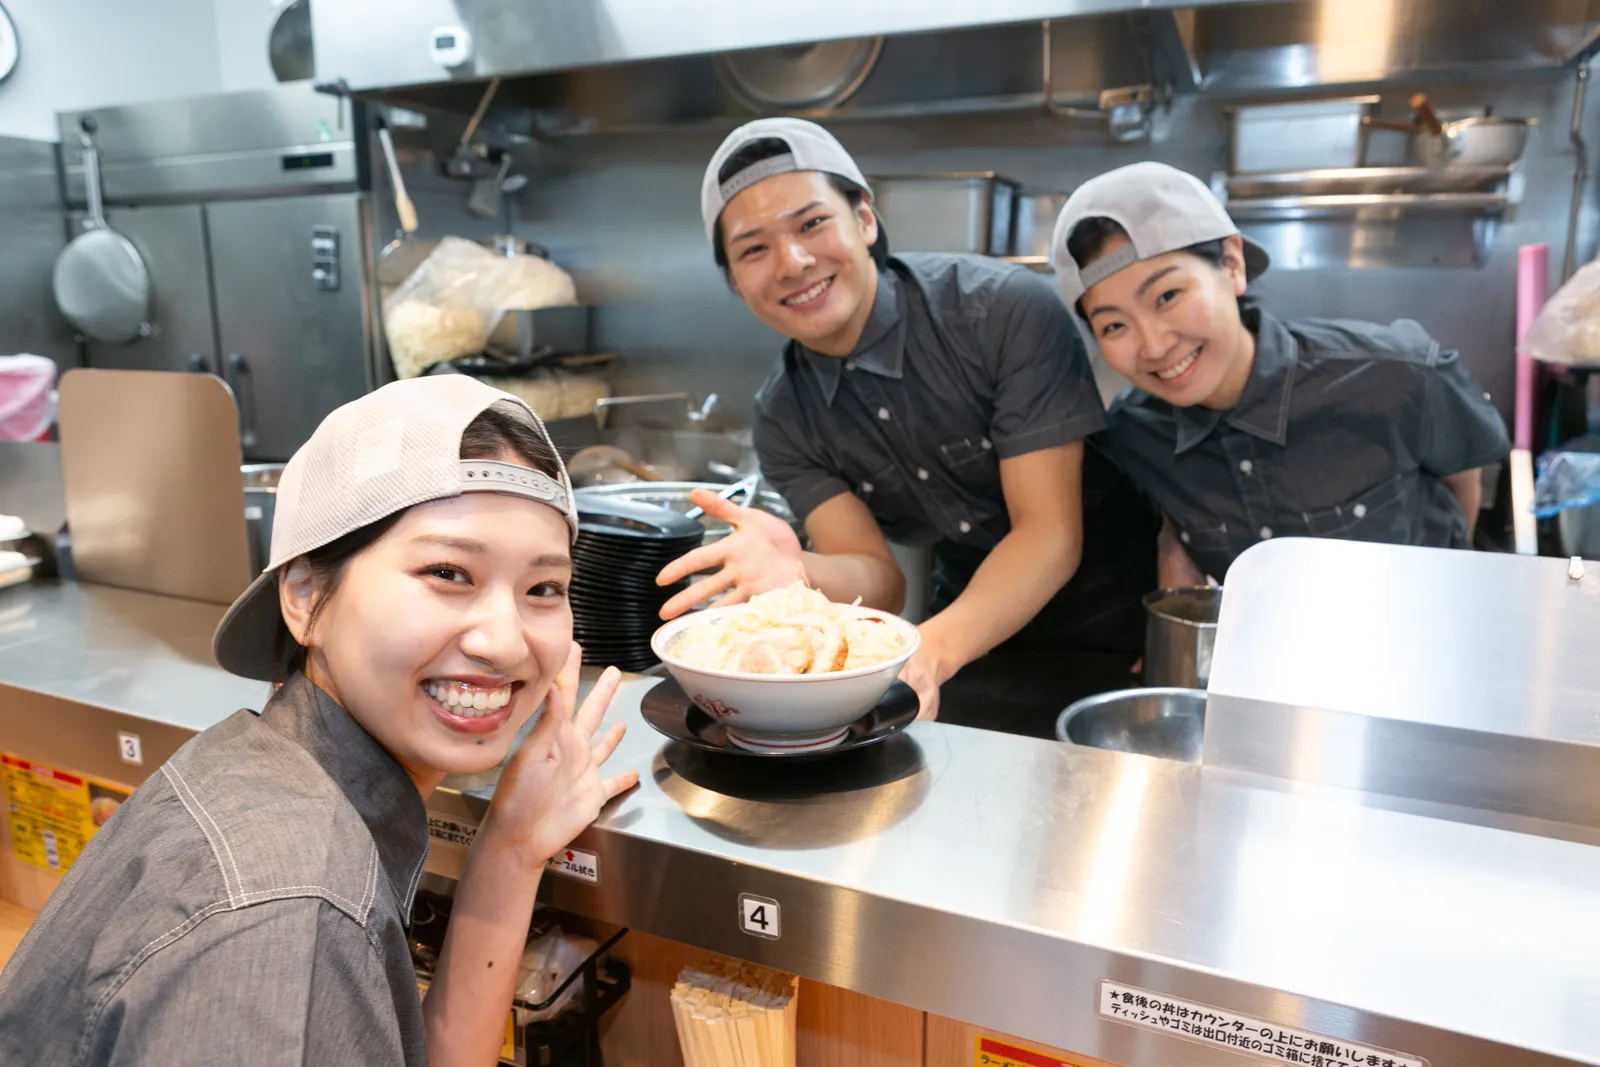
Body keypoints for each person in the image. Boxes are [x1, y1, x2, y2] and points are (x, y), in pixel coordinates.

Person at [0, 376, 639, 1066]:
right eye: (449, 572)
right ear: (304, 597)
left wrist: (509, 852)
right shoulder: (285, 912)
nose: (507, 641)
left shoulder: (261, 764)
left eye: (543, 587)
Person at [657, 118, 1159, 725]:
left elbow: (1050, 534)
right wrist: (800, 572)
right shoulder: (785, 417)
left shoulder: (1000, 310)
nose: (792, 262)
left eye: (812, 223)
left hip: (1124, 634)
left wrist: (933, 651)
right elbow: (880, 581)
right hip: (975, 636)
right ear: (735, 281)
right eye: (754, 249)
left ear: (864, 219)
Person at [1051, 162, 1511, 586]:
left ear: (1231, 264)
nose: (1153, 346)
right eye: (1113, 325)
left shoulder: (1398, 375)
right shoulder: (1135, 434)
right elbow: (1175, 530)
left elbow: (1462, 481)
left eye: (1168, 295)